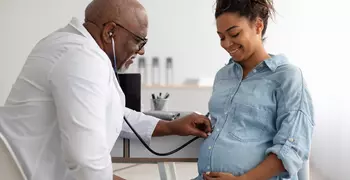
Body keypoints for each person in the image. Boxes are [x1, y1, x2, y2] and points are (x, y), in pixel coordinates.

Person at [0, 0, 212, 180]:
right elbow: (86, 158)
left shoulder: (76, 49)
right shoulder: (81, 58)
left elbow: (113, 113)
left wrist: (170, 127)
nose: (142, 50)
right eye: (139, 41)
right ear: (109, 31)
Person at [196, 0, 314, 180]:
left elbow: (292, 146)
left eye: (234, 34)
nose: (227, 44)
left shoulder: (287, 77)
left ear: (258, 26)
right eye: (221, 37)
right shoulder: (223, 76)